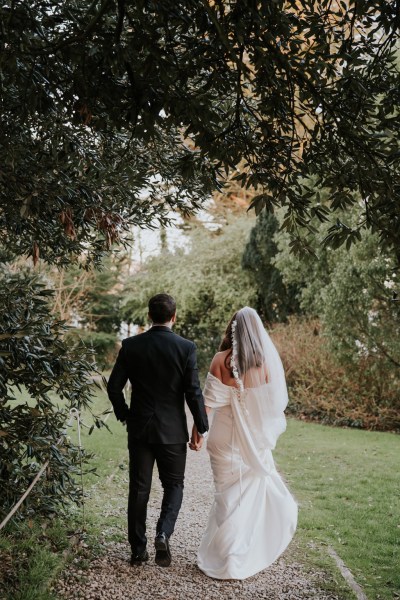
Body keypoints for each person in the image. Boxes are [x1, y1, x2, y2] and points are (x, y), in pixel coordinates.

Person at [191, 306, 297, 580]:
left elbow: (208, 405)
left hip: (223, 439)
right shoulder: (265, 365)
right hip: (251, 440)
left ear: (232, 329)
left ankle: (227, 553)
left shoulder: (220, 360)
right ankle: (235, 556)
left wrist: (197, 432)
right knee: (245, 497)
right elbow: (273, 408)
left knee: (225, 494)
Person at [107, 293, 209, 568]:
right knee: (174, 484)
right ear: (174, 316)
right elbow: (193, 391)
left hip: (140, 428)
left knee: (139, 489)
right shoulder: (185, 347)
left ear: (149, 316)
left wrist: (125, 415)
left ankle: (138, 550)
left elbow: (113, 386)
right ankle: (163, 532)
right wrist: (201, 426)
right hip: (172, 431)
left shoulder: (131, 345)